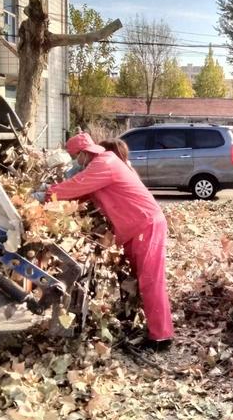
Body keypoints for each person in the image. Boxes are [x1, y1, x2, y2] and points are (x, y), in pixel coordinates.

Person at [46, 132, 174, 351]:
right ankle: (150, 326)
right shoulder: (103, 164)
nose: (77, 162)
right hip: (136, 227)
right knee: (140, 279)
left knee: (151, 281)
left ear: (85, 154)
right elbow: (81, 195)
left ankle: (161, 337)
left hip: (146, 225)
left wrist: (46, 194)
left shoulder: (103, 163)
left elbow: (76, 186)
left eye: (76, 157)